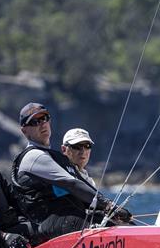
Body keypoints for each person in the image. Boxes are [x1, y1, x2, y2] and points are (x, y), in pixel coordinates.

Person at [11, 103, 131, 240]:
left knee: (123, 224)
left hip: (65, 220)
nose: (42, 124)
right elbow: (72, 184)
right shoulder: (34, 156)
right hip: (50, 224)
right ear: (24, 130)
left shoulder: (52, 156)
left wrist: (111, 212)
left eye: (44, 118)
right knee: (111, 229)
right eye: (34, 122)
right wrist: (109, 206)